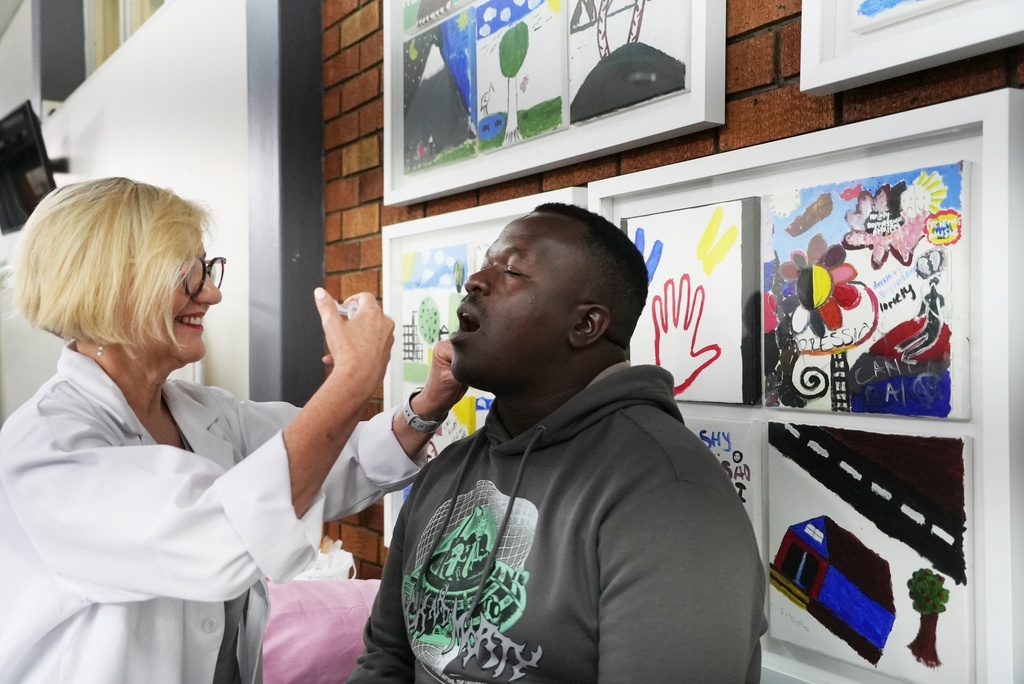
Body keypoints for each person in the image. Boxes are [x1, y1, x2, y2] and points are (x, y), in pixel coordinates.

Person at [0, 177, 466, 684]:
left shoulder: (201, 411)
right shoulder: (46, 450)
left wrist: (431, 400)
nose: (212, 293)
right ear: (109, 286)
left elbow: (336, 457)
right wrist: (352, 380)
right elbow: (219, 539)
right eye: (189, 275)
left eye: (207, 269)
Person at [350, 202, 767, 683]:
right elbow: (386, 656)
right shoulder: (447, 470)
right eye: (484, 264)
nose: (475, 281)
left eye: (511, 271)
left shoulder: (670, 495)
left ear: (585, 325)